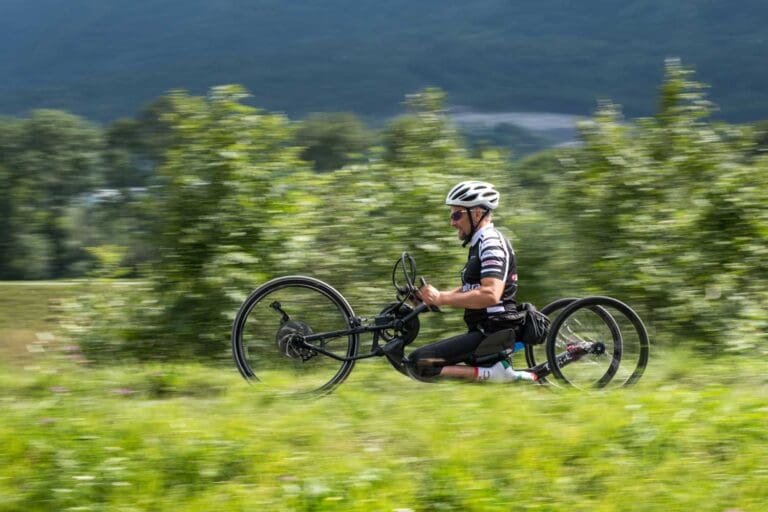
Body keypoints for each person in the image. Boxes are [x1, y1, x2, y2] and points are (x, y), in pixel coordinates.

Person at [410, 181, 538, 383]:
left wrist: (442, 298)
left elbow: (490, 294)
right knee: (420, 362)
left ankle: (497, 374)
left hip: (495, 332)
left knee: (421, 362)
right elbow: (471, 288)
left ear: (477, 213)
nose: (452, 222)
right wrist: (431, 299)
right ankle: (493, 371)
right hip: (483, 330)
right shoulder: (478, 243)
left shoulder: (491, 243)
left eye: (456, 214)